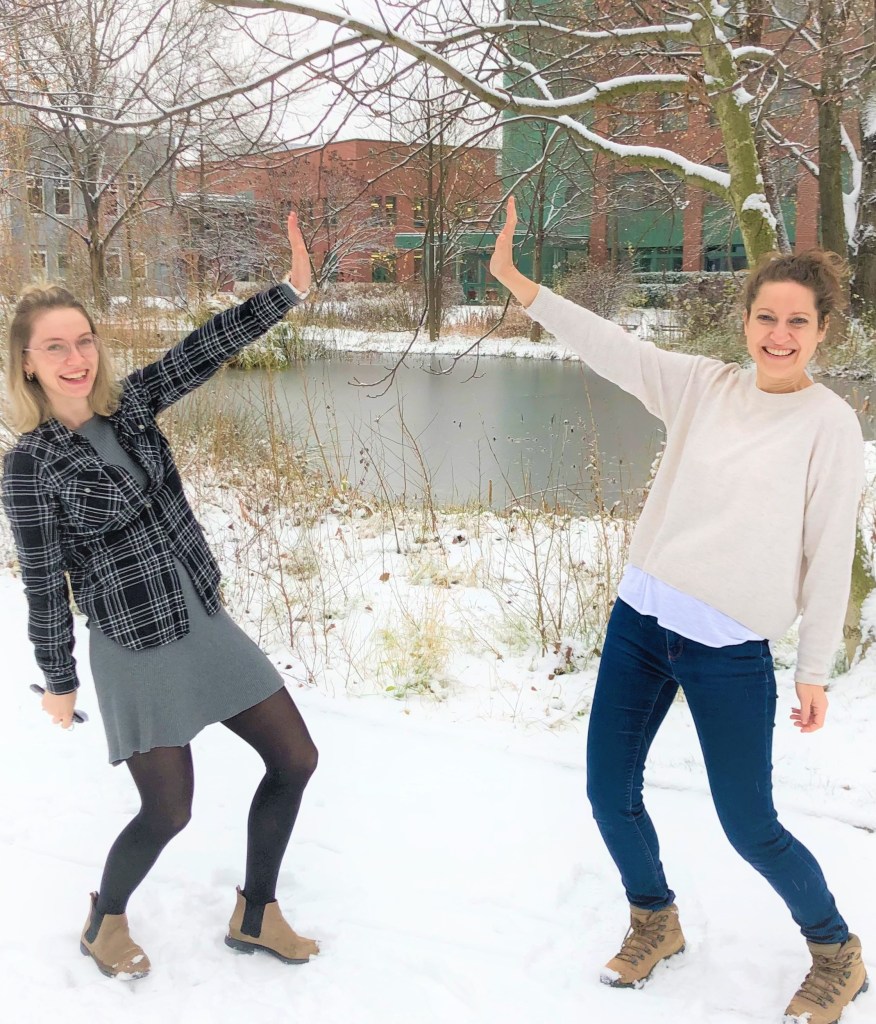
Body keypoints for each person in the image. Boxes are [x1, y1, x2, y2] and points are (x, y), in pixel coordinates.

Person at [490, 197, 869, 1024]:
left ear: (822, 331)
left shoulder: (829, 425)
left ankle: (837, 951)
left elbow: (829, 550)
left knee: (750, 825)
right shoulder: (703, 385)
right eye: (766, 316)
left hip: (728, 650)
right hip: (641, 623)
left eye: (797, 322)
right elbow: (611, 346)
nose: (778, 334)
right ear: (745, 320)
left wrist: (813, 670)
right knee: (608, 791)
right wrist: (520, 283)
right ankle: (654, 919)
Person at [2, 213, 320, 980]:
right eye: (55, 346)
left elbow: (201, 351)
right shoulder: (29, 465)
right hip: (134, 644)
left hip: (201, 617)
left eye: (84, 340)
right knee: (169, 810)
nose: (76, 358)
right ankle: (104, 920)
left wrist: (286, 292)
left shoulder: (131, 406)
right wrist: (59, 678)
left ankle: (256, 912)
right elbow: (43, 582)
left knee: (295, 757)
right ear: (27, 363)